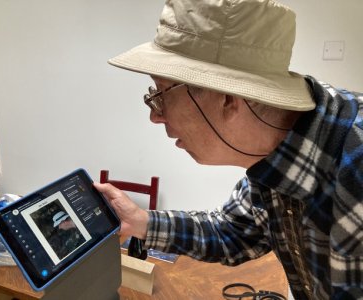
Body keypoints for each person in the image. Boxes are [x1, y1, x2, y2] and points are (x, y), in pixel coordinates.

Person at [95, 0, 363, 299]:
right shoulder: (275, 156)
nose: (155, 115)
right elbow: (235, 232)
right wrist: (139, 222)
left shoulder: (356, 163)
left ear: (227, 98)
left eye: (160, 93)